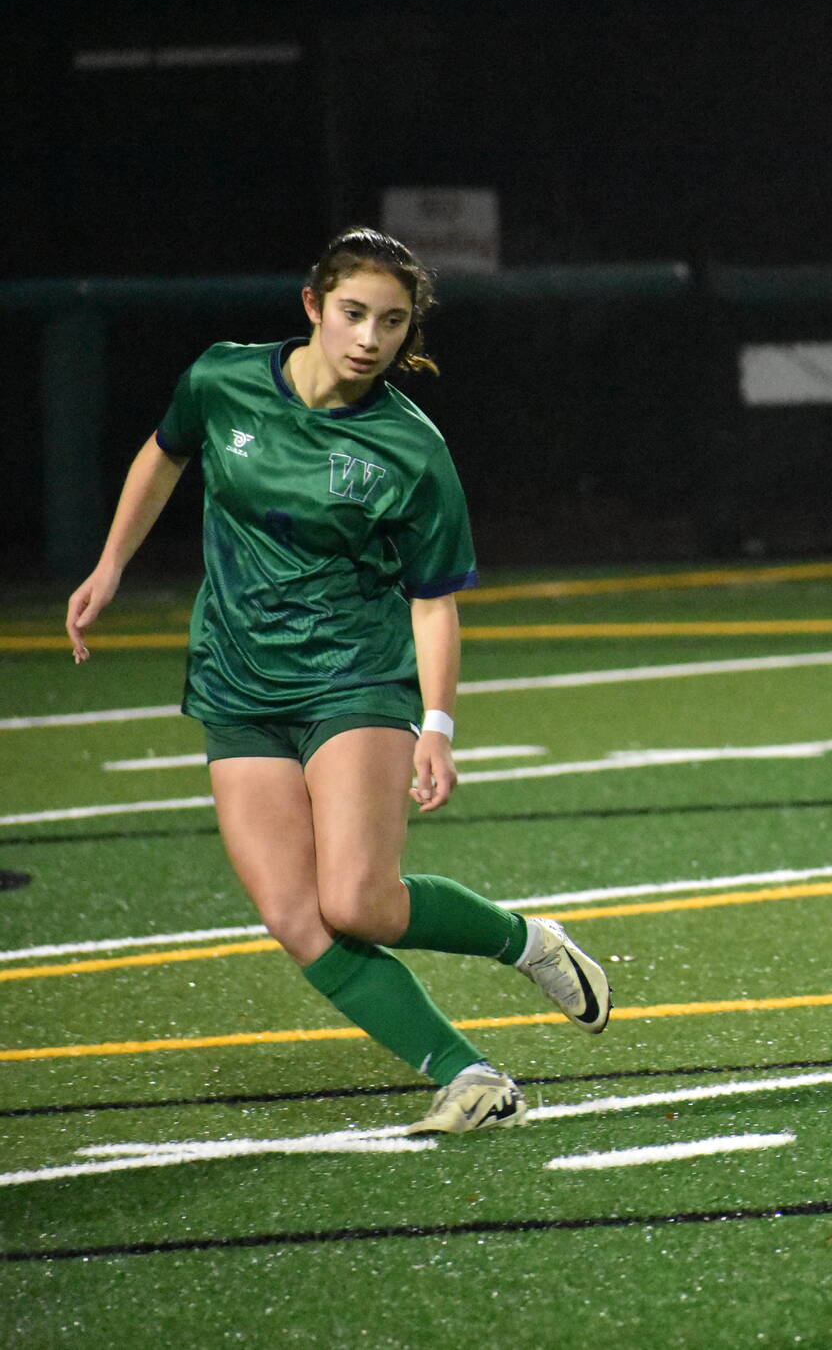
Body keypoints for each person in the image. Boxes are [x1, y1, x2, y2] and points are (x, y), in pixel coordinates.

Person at [64, 227, 611, 1135]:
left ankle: (529, 942)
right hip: (238, 683)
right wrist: (112, 564)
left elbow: (434, 602)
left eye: (392, 322)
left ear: (408, 334)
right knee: (296, 915)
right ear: (313, 305)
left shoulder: (411, 449)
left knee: (358, 899)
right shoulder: (222, 378)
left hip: (353, 678)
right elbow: (164, 455)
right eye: (354, 312)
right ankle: (470, 1076)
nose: (370, 337)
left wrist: (437, 724)